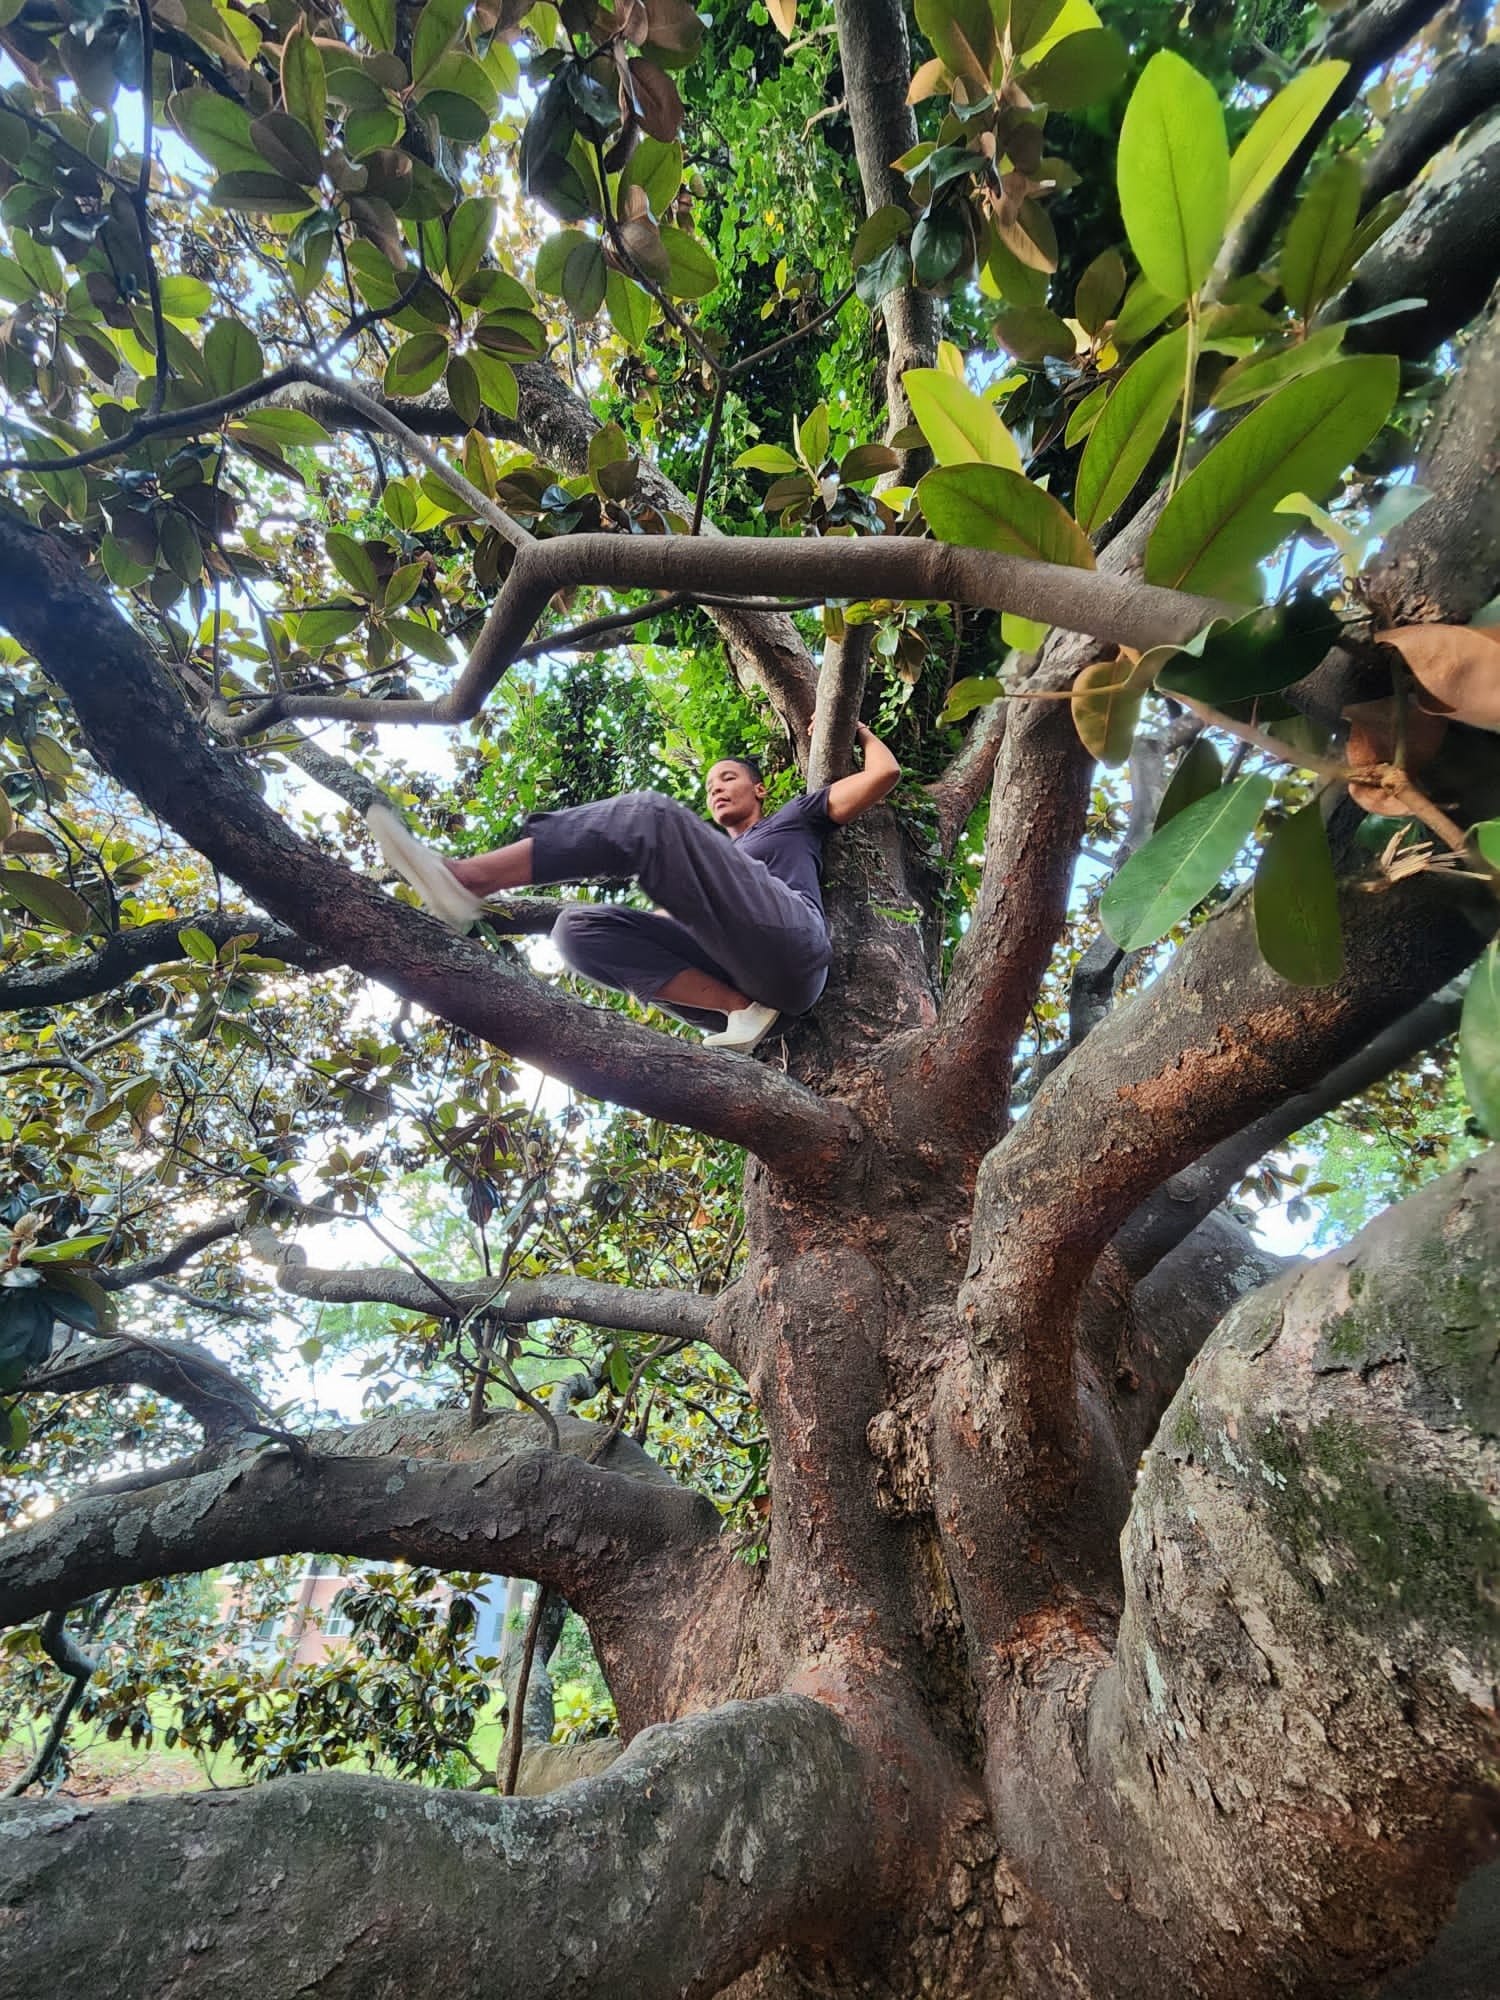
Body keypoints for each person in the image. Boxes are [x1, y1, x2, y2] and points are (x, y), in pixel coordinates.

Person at [367, 721, 901, 1053]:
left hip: (792, 948)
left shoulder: (791, 819)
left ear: (760, 789)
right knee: (575, 929)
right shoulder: (710, 863)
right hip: (746, 985)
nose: (717, 789)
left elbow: (883, 774)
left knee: (648, 817)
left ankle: (469, 879)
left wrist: (859, 733)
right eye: (709, 786)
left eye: (728, 778)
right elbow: (669, 926)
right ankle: (739, 1009)